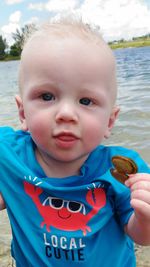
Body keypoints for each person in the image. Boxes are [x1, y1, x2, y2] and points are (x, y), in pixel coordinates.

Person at [0, 18, 150, 267]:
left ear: (109, 122)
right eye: (47, 96)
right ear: (23, 112)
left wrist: (145, 217)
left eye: (86, 101)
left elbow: (141, 236)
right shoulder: (9, 156)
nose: (66, 113)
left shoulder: (121, 171)